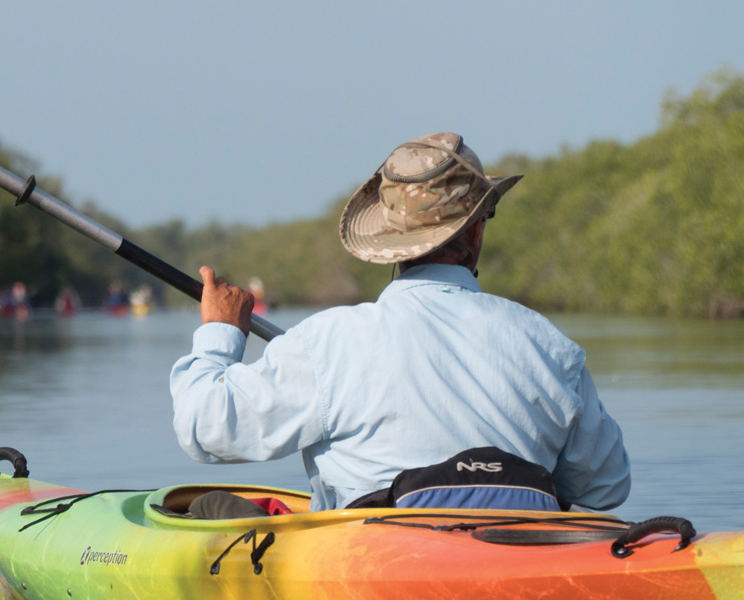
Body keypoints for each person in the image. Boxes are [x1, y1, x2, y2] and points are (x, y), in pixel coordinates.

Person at [169, 132, 630, 513]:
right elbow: (606, 488)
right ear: (475, 230)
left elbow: (204, 430)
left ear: (388, 239)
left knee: (209, 508)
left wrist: (221, 332)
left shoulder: (329, 342)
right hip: (519, 567)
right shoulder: (551, 347)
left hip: (374, 569)